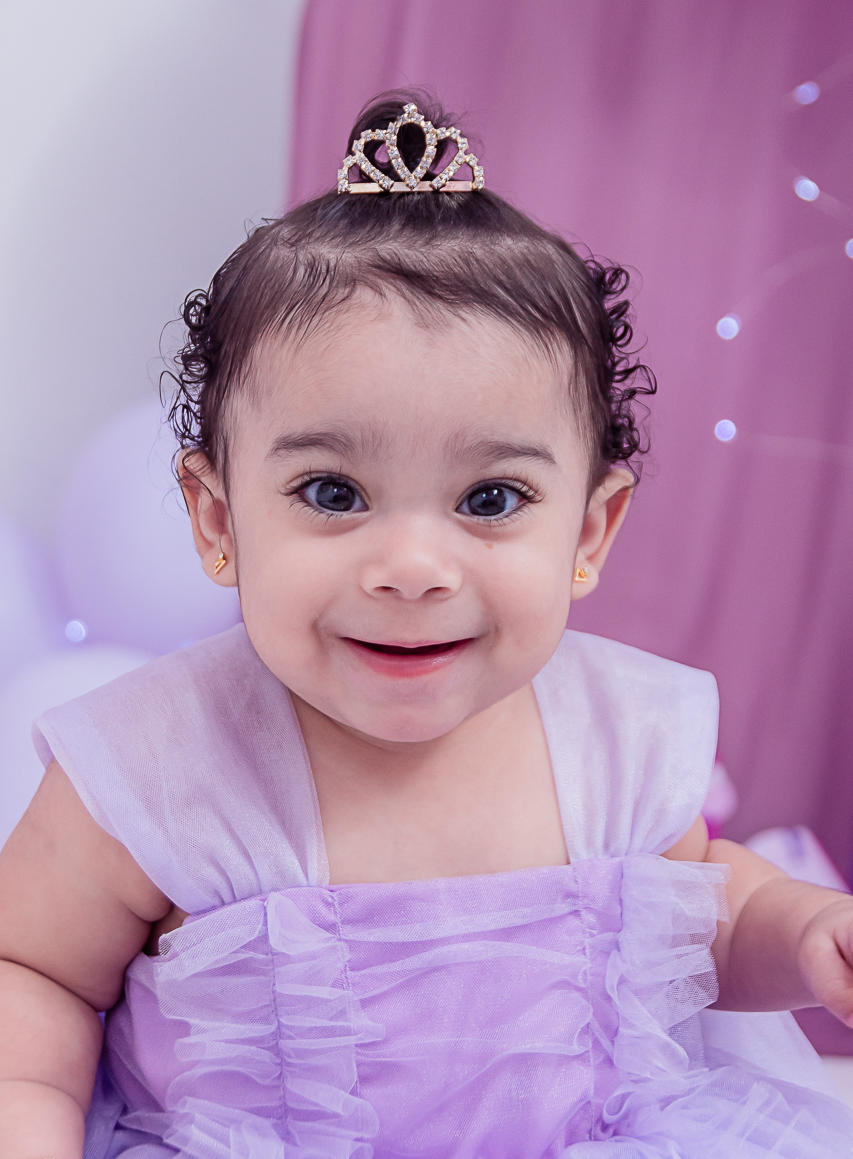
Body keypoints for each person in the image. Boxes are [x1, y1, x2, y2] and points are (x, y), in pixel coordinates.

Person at [1, 93, 853, 1159]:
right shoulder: (159, 764)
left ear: (589, 531)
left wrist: (803, 933)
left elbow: (703, 930)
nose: (410, 568)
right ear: (218, 519)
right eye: (331, 492)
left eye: (490, 499)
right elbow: (31, 970)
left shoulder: (615, 738)